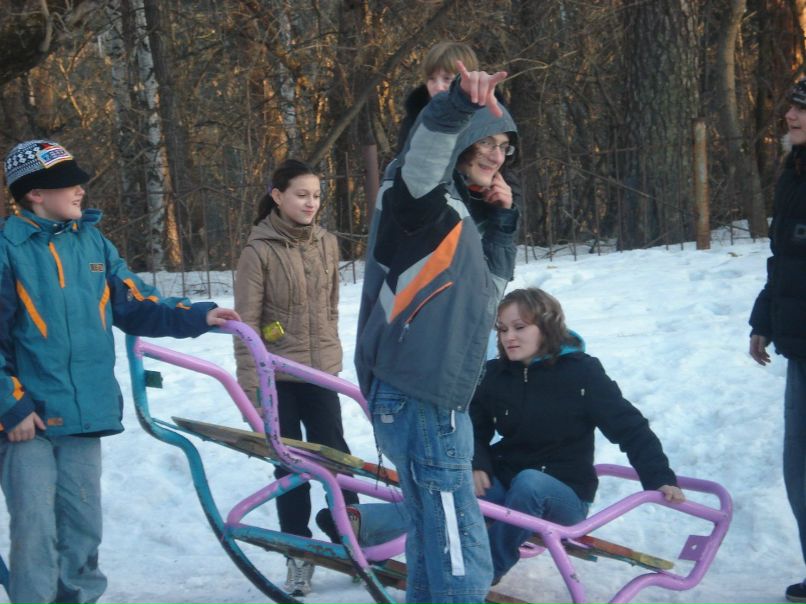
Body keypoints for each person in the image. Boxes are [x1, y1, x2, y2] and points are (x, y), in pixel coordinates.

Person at [0, 139, 240, 604]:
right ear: (34, 193)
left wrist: (196, 315)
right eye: (68, 184)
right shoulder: (9, 249)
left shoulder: (92, 242)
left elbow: (137, 302)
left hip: (84, 411)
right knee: (36, 530)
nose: (80, 191)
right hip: (27, 420)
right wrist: (11, 403)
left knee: (84, 528)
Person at [326, 287, 684, 587]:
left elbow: (630, 427)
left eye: (519, 327)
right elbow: (474, 426)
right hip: (511, 482)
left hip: (564, 497)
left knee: (530, 483)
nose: (508, 337)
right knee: (458, 492)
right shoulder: (497, 375)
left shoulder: (582, 374)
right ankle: (366, 524)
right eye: (501, 329)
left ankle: (485, 573)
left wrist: (659, 478)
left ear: (546, 327)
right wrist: (478, 463)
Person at [354, 62, 519, 604]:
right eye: (487, 142)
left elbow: (489, 292)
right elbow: (427, 149)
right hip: (421, 393)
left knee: (431, 542)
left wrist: (501, 223)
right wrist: (456, 107)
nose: (497, 155)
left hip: (435, 395)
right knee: (459, 551)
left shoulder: (456, 216)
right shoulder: (419, 196)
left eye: (504, 147)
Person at [233, 158, 357, 597]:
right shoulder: (259, 250)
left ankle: (351, 540)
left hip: (320, 373)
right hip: (277, 378)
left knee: (335, 457)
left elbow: (331, 306)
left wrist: (331, 355)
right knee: (290, 466)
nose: (310, 203)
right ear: (278, 196)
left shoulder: (326, 243)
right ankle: (297, 553)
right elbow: (244, 327)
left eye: (317, 195)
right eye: (301, 194)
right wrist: (253, 394)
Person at [749, 78, 806, 604]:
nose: (790, 114)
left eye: (803, 109)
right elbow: (783, 260)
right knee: (799, 463)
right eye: (791, 104)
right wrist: (762, 318)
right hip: (800, 344)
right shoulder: (793, 172)